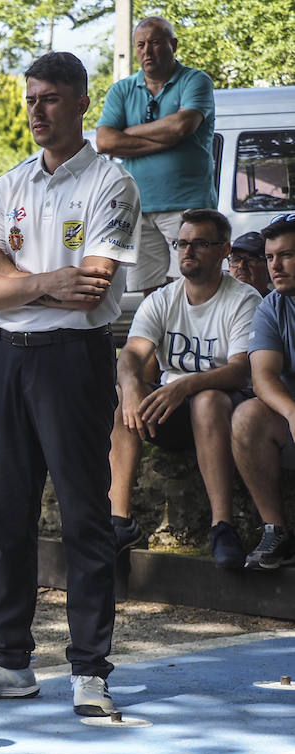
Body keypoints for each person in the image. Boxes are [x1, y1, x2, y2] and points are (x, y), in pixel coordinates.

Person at [0, 52, 139, 718]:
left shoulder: (111, 184)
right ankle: (8, 660)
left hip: (72, 359)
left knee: (83, 511)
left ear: (82, 102)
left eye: (50, 98)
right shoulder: (9, 185)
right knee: (8, 513)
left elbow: (91, 293)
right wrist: (47, 278)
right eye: (30, 99)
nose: (37, 110)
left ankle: (89, 669)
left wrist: (16, 278)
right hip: (8, 357)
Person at [108, 208, 259, 569]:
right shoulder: (162, 299)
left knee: (206, 399)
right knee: (121, 396)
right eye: (182, 243)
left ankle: (222, 526)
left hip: (226, 412)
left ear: (225, 250)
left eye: (199, 244)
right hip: (171, 410)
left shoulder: (243, 299)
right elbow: (131, 354)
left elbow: (240, 371)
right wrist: (130, 388)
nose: (187, 252)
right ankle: (120, 521)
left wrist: (185, 386)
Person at [96, 17, 216, 297]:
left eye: (156, 43)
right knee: (150, 295)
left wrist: (129, 134)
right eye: (140, 45)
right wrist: (168, 138)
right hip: (139, 206)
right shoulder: (122, 90)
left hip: (188, 205)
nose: (147, 52)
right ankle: (159, 342)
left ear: (173, 45)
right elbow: (104, 141)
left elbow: (182, 126)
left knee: (191, 288)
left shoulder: (195, 80)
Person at [230, 214, 295, 570]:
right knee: (247, 416)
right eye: (270, 257)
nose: (275, 266)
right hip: (292, 425)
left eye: (286, 255)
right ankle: (277, 532)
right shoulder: (272, 306)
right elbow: (263, 377)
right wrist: (292, 412)